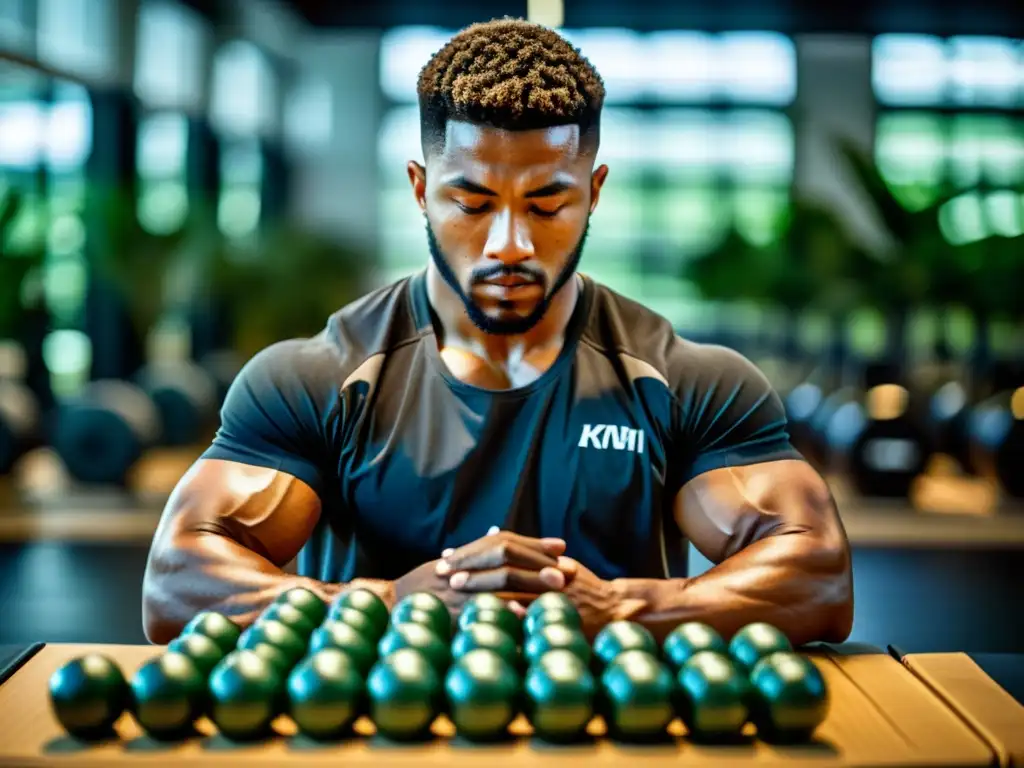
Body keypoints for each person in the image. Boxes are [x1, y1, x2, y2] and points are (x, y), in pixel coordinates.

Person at [142, 18, 853, 646]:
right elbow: (175, 583)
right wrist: (395, 603)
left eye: (547, 202)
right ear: (421, 189)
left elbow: (818, 576)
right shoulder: (317, 377)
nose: (509, 244)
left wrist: (615, 608)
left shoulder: (687, 379)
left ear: (594, 192)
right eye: (472, 202)